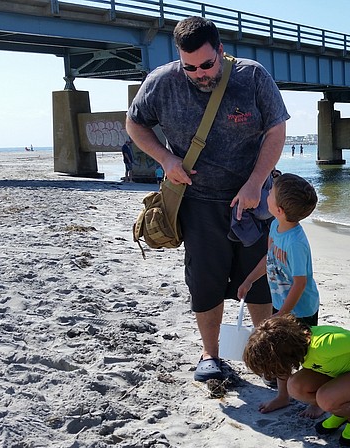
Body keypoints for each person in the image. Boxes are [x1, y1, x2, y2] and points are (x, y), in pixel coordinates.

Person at [126, 16, 289, 382]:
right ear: (178, 59)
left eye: (207, 64)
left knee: (259, 280)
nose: (200, 73)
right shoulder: (162, 82)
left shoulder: (252, 77)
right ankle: (210, 355)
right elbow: (134, 123)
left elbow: (276, 129)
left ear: (220, 50)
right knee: (205, 281)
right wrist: (166, 159)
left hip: (254, 200)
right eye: (191, 67)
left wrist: (255, 181)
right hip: (196, 201)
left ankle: (267, 357)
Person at [243, 315, 350, 448]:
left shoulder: (326, 344)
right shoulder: (298, 346)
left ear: (284, 354)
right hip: (339, 372)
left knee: (325, 399)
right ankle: (341, 410)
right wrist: (281, 396)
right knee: (295, 387)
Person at [237, 173, 321, 415]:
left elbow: (300, 283)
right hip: (280, 305)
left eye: (270, 193)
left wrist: (282, 314)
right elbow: (269, 258)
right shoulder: (275, 226)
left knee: (308, 353)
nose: (267, 195)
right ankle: (283, 395)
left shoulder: (296, 242)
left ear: (280, 209)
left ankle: (316, 399)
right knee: (280, 352)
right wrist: (249, 280)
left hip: (301, 308)